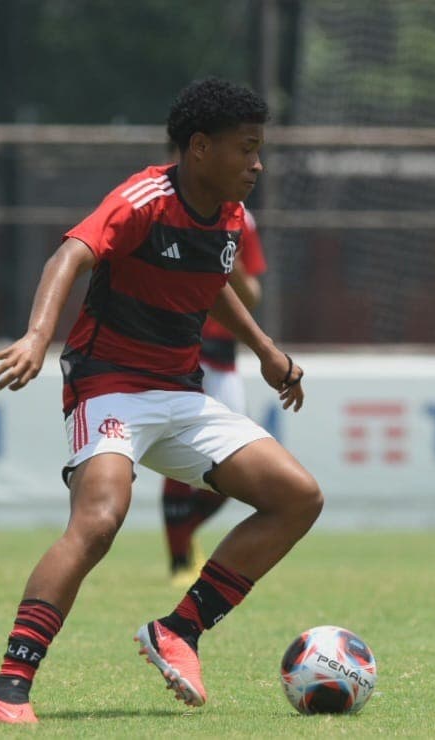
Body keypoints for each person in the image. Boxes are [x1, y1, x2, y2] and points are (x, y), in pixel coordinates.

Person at [0, 77, 323, 724]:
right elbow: (68, 255)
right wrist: (37, 336)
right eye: (245, 149)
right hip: (108, 383)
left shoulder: (230, 217)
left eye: (259, 148)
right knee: (100, 520)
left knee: (298, 497)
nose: (257, 163)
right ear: (198, 148)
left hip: (180, 392)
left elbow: (213, 281)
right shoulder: (143, 199)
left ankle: (179, 631)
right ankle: (8, 685)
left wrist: (268, 351)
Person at [162, 206, 266, 587]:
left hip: (225, 361)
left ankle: (183, 536)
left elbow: (252, 295)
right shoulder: (165, 211)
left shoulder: (243, 221)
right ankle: (179, 560)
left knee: (238, 464)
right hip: (183, 351)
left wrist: (229, 268)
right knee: (178, 455)